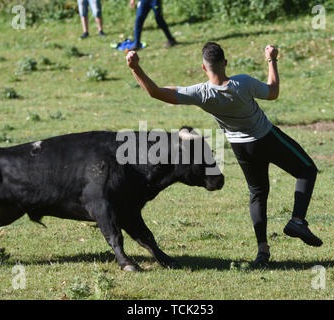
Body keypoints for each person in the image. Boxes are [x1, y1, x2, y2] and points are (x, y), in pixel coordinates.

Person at [125, 42, 323, 266]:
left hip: (240, 147)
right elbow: (273, 91)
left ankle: (263, 251)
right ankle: (297, 220)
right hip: (266, 138)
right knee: (306, 169)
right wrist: (272, 59)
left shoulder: (200, 93)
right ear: (225, 63)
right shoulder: (244, 83)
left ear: (203, 67)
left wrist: (135, 68)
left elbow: (156, 92)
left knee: (257, 193)